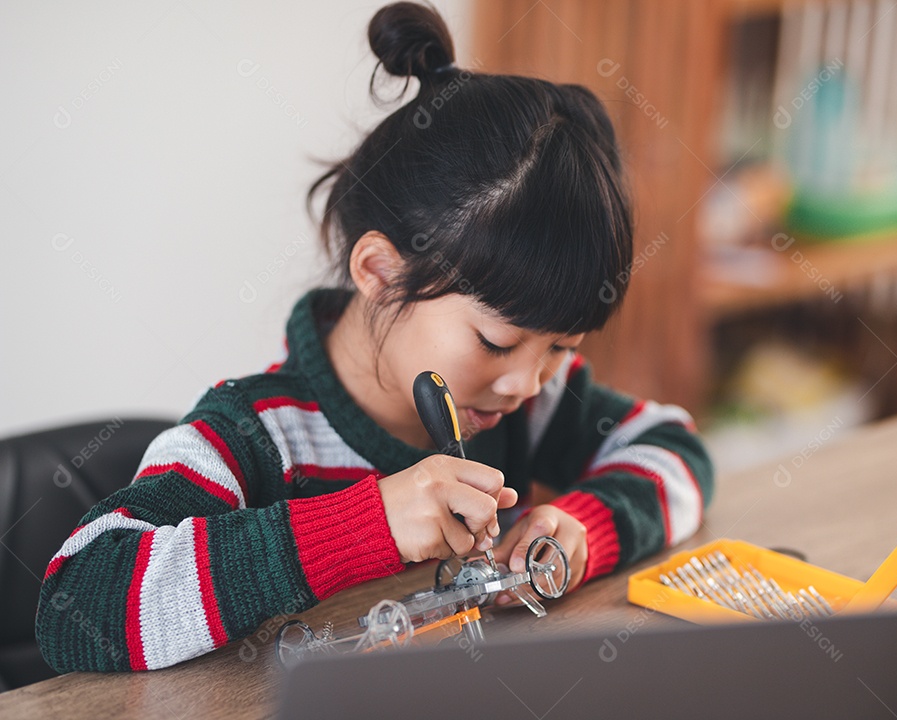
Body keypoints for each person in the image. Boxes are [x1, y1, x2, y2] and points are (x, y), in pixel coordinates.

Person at [35, 1, 714, 672]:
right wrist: (367, 527)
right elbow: (81, 602)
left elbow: (677, 451)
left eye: (561, 347)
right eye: (497, 343)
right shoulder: (257, 436)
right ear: (382, 273)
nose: (527, 382)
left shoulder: (530, 399)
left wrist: (585, 531)